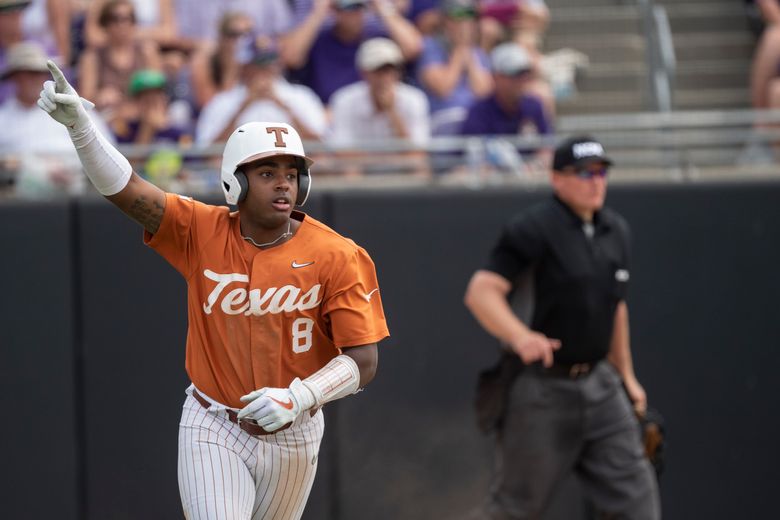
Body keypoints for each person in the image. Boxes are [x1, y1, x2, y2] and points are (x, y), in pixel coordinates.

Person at [38, 60, 389, 519]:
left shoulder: (338, 254)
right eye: (266, 172)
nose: (283, 181)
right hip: (213, 422)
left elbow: (364, 360)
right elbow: (126, 190)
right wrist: (83, 129)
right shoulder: (201, 230)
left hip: (297, 428)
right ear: (235, 182)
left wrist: (298, 397)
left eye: (291, 171)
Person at [463, 136, 660, 520]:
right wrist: (521, 336)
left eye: (601, 172)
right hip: (543, 389)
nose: (595, 181)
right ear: (556, 179)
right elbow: (481, 292)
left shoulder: (615, 230)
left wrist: (627, 377)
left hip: (602, 387)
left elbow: (614, 307)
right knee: (515, 508)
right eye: (584, 172)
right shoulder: (534, 228)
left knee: (637, 501)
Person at [280, 0, 423, 104]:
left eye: (359, 7)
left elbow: (414, 48)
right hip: (326, 115)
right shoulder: (320, 40)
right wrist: (318, 13)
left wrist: (381, 7)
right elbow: (290, 58)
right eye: (347, 8)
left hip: (375, 109)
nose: (354, 14)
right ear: (335, 10)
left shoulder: (377, 36)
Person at [327, 37, 430, 176]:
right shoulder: (344, 100)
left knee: (420, 170)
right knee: (349, 170)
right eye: (378, 70)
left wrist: (392, 112)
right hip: (362, 172)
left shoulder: (414, 99)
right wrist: (386, 160)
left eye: (389, 70)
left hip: (400, 170)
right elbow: (343, 153)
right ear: (364, 73)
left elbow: (417, 155)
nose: (384, 77)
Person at [195, 42, 327, 146]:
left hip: (291, 168)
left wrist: (282, 105)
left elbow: (320, 145)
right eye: (258, 64)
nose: (264, 70)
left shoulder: (300, 95)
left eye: (269, 64)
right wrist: (243, 107)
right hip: (239, 170)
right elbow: (208, 151)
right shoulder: (224, 101)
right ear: (244, 67)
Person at [459, 41, 553, 175]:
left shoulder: (534, 105)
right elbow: (473, 158)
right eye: (515, 74)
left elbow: (546, 148)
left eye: (525, 73)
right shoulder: (479, 111)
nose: (522, 80)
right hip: (493, 188)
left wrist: (534, 167)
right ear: (496, 77)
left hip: (531, 183)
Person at [415, 0, 493, 136]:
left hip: (474, 121)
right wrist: (460, 50)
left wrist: (468, 54)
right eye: (457, 17)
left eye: (469, 17)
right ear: (445, 21)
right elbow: (443, 89)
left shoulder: (478, 53)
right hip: (442, 122)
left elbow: (484, 93)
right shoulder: (430, 46)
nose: (463, 23)